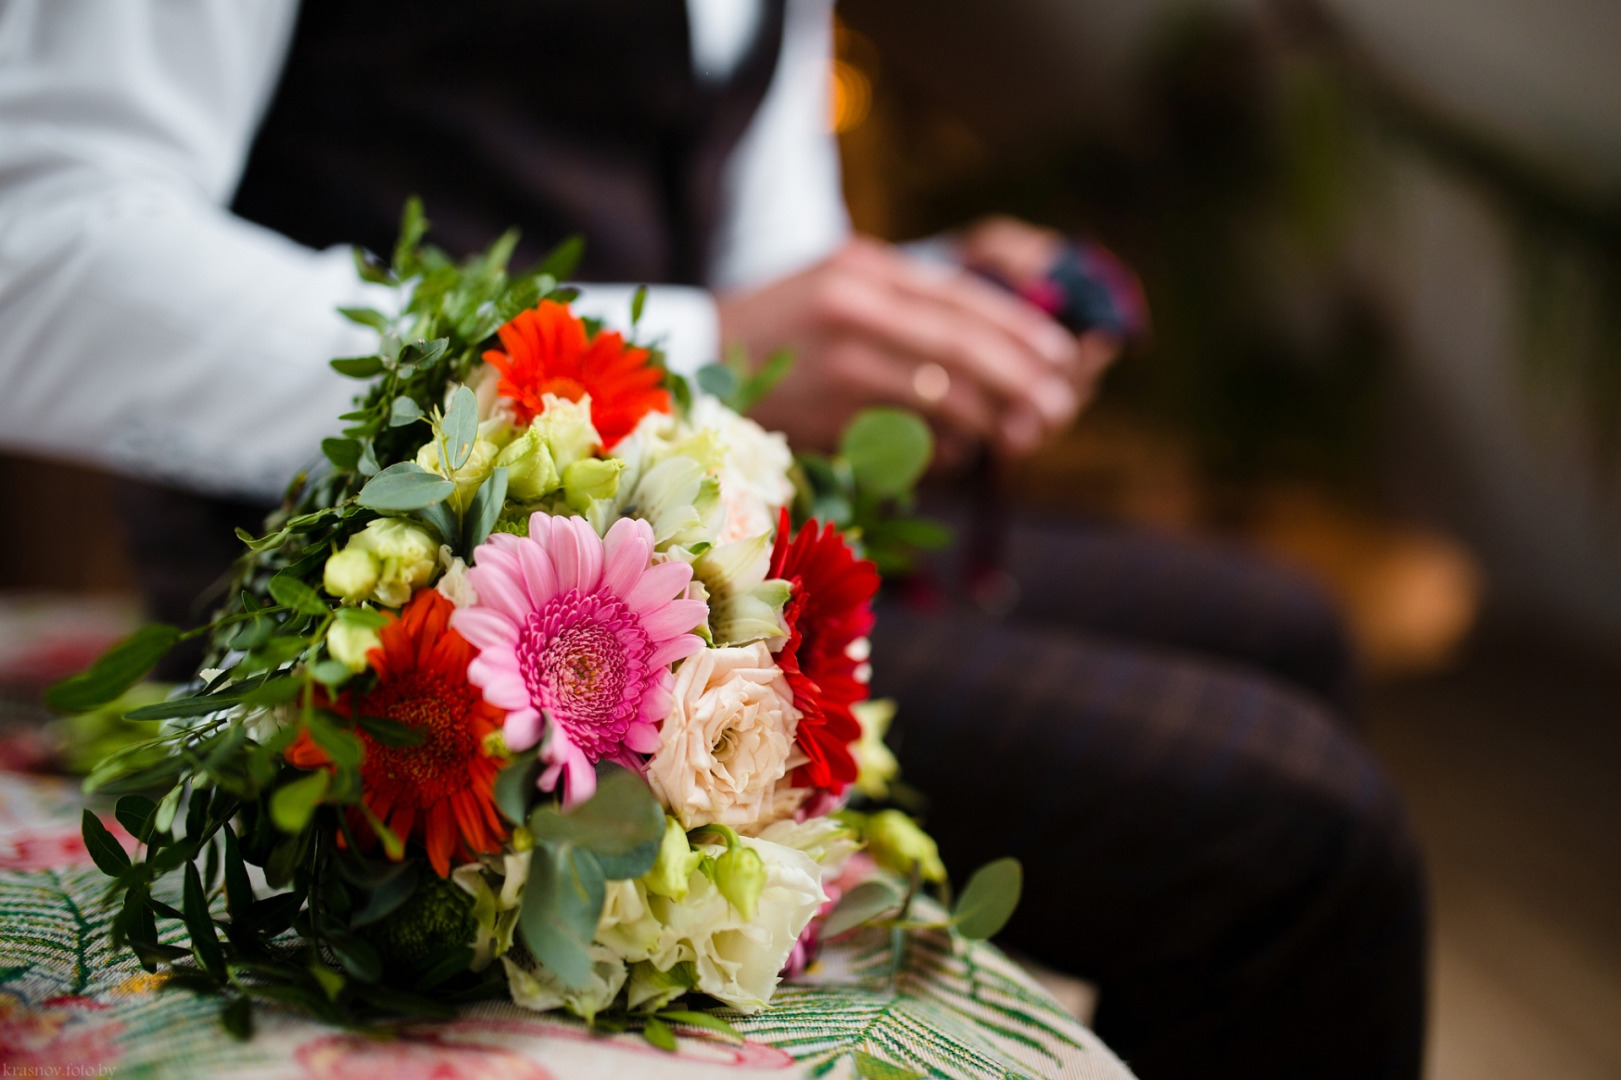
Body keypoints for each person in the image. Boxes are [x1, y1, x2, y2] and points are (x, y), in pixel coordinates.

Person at [0, 2, 1426, 1077]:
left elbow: (758, 276)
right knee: (1295, 843)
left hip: (708, 519)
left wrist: (906, 316)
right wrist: (698, 347)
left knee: (1284, 621)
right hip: (385, 596)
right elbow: (39, 250)